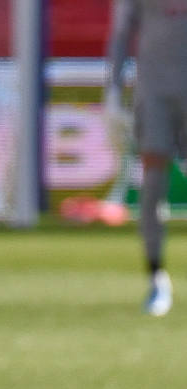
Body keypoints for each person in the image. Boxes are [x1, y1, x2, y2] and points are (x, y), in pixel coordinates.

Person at [105, 0, 187, 316]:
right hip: (154, 92)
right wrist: (112, 87)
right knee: (153, 182)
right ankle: (156, 277)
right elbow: (122, 31)